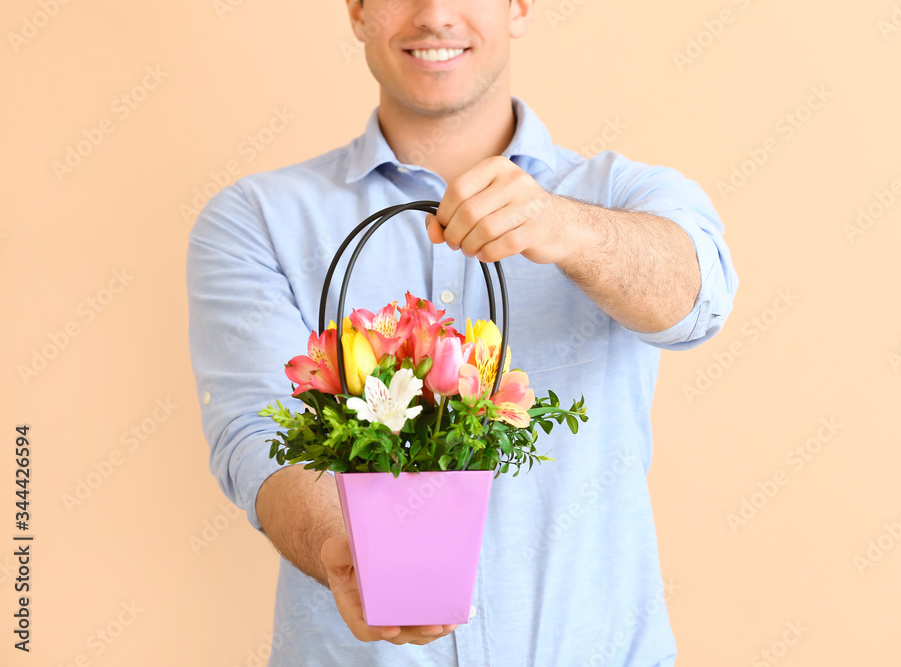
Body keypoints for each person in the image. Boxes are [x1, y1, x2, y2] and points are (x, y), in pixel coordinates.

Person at [186, 0, 738, 664]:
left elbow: (700, 299)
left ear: (520, 7)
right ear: (358, 11)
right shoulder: (257, 220)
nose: (435, 14)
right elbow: (259, 440)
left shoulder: (620, 193)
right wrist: (351, 551)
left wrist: (566, 227)